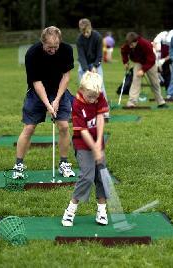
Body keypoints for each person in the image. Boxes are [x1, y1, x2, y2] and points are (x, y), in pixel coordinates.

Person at [12, 26, 75, 179]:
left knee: (64, 126)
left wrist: (58, 99)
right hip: (37, 92)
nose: (53, 50)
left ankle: (64, 163)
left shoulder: (66, 50)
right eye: (49, 47)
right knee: (29, 128)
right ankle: (18, 165)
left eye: (56, 47)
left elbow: (66, 77)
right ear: (42, 43)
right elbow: (37, 82)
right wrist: (48, 104)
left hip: (59, 90)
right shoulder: (33, 53)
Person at [61, 71, 109, 227]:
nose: (94, 99)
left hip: (97, 141)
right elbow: (82, 130)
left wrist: (99, 144)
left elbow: (101, 119)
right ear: (82, 90)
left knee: (101, 175)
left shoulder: (98, 95)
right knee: (87, 176)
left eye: (96, 96)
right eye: (90, 97)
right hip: (82, 143)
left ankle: (102, 210)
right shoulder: (76, 104)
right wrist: (94, 148)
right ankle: (70, 210)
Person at [121, 32, 167, 108]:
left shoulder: (145, 44)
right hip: (138, 62)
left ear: (136, 42)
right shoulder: (128, 44)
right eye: (129, 45)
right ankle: (132, 102)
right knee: (136, 80)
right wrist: (125, 62)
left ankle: (160, 102)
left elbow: (151, 59)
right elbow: (123, 51)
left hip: (150, 63)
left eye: (132, 45)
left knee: (155, 82)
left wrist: (143, 70)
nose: (130, 47)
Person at [77, 18, 109, 118]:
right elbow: (81, 56)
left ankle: (104, 110)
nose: (85, 34)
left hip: (96, 63)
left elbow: (99, 54)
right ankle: (84, 109)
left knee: (100, 85)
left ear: (90, 28)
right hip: (84, 64)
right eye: (83, 32)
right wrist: (86, 70)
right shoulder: (79, 40)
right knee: (83, 85)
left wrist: (95, 66)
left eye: (87, 32)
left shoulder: (97, 37)